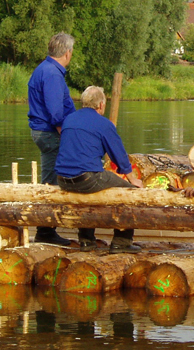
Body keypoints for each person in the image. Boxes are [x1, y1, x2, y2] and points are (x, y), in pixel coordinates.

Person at [55, 86, 145, 253]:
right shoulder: (104, 124)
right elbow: (119, 154)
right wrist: (133, 180)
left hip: (62, 179)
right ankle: (121, 242)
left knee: (87, 196)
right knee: (129, 193)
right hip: (87, 177)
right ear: (101, 105)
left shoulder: (69, 119)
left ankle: (86, 241)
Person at [27, 32, 76, 246]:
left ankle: (50, 226)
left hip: (44, 131)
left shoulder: (44, 69)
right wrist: (68, 135)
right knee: (51, 181)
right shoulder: (52, 74)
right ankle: (45, 230)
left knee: (54, 176)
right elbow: (56, 114)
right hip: (50, 132)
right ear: (67, 53)